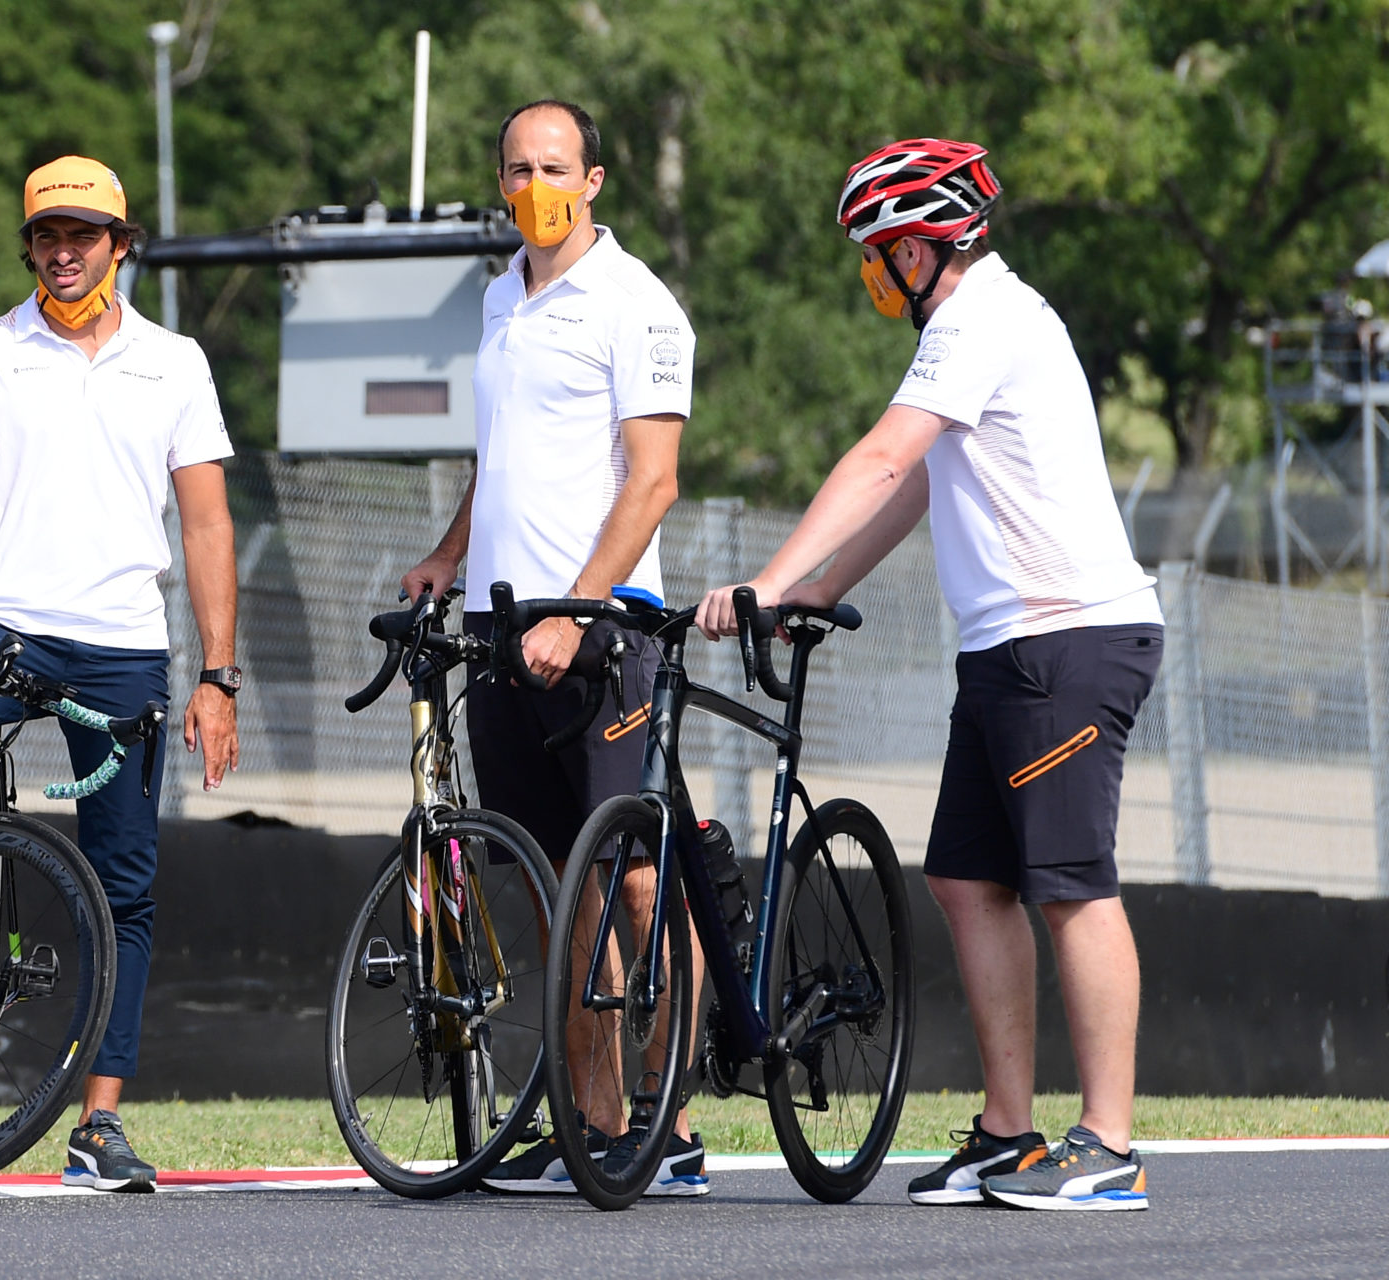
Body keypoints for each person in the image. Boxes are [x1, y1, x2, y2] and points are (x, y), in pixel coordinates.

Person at [697, 138, 1162, 1211]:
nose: (872, 278)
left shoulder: (984, 318)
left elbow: (879, 460)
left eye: (874, 258)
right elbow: (916, 487)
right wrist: (819, 584)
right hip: (1006, 647)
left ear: (918, 249)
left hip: (1068, 638)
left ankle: (1110, 1145)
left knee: (1070, 887)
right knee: (965, 877)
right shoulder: (967, 331)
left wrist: (767, 579)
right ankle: (1008, 1132)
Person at [0, 155, 242, 1193]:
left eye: (85, 235)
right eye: (47, 236)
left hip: (119, 649)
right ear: (30, 246)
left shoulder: (176, 361)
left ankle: (99, 1123)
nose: (65, 252)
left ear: (120, 244)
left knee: (126, 881)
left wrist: (219, 674)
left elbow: (205, 522)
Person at [402, 99, 706, 1198]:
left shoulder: (636, 304)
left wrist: (578, 610)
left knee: (629, 877)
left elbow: (654, 480)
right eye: (517, 167)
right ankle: (595, 1119)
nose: (534, 184)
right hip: (498, 623)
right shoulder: (498, 296)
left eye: (555, 167)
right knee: (550, 883)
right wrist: (448, 550)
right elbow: (502, 452)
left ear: (595, 180)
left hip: (601, 628)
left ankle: (668, 1128)